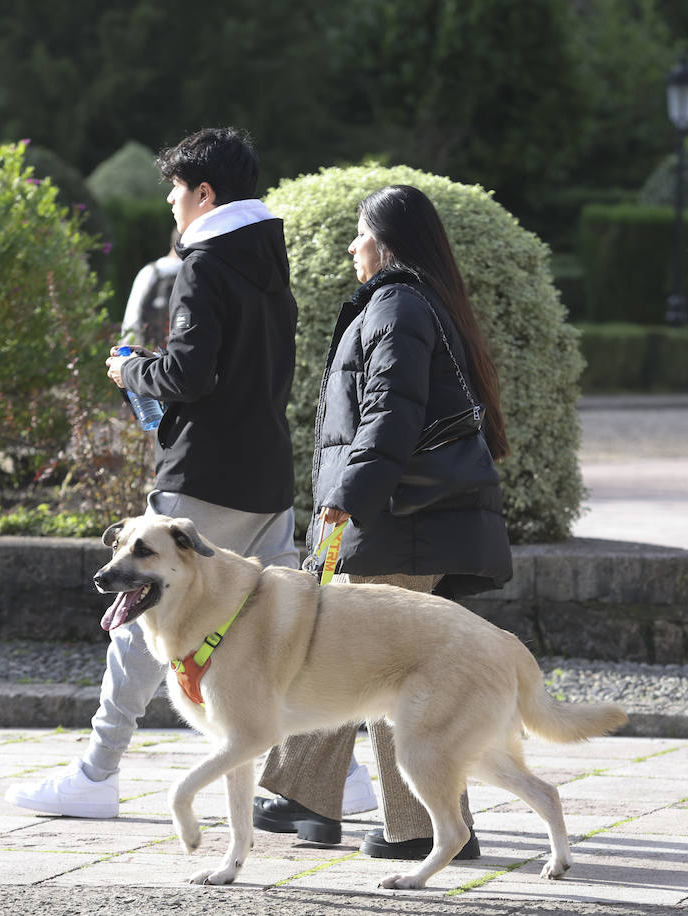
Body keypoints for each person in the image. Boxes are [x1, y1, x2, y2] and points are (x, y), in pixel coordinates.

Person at [5, 127, 310, 818]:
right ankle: (325, 776)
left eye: (176, 191)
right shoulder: (269, 260)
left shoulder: (205, 264)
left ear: (205, 194)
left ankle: (96, 772)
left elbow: (189, 373)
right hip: (267, 474)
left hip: (203, 477)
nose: (171, 204)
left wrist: (130, 368)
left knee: (140, 623)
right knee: (291, 629)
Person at [252, 185, 513, 861]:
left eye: (359, 234)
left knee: (346, 656)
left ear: (386, 243)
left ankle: (316, 800)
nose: (351, 246)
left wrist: (347, 498)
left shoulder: (398, 303)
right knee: (378, 665)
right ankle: (397, 821)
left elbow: (390, 414)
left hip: (392, 520)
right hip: (396, 520)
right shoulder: (413, 302)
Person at [118, 230, 182, 350]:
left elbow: (131, 319)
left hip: (148, 357)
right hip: (170, 355)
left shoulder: (149, 272)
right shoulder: (194, 274)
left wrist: (125, 352)